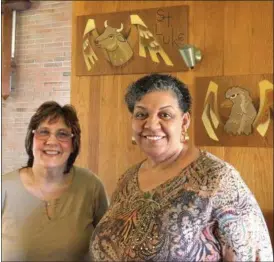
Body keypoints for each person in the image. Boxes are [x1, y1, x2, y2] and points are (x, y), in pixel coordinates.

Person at [89, 74, 273, 261]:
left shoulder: (219, 179)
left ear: (184, 122)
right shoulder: (127, 179)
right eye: (141, 114)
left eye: (165, 115)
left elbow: (255, 256)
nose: (151, 124)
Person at [2, 101, 108, 261]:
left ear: (73, 144)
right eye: (43, 132)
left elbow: (107, 245)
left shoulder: (91, 186)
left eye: (62, 134)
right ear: (32, 139)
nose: (51, 141)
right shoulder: (4, 188)